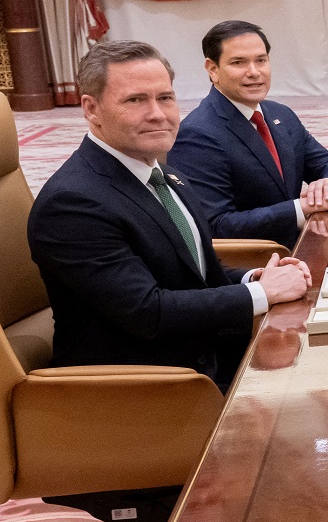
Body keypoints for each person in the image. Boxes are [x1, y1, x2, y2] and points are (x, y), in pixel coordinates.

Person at [29, 41, 313, 393]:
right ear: (91, 109)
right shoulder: (73, 204)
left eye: (165, 98)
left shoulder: (164, 175)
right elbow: (149, 312)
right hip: (149, 388)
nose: (157, 114)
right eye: (135, 100)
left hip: (207, 355)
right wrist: (261, 293)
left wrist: (251, 277)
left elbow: (189, 274)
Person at [167, 21, 328, 248]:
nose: (254, 72)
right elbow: (216, 225)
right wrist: (301, 208)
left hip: (305, 244)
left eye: (261, 60)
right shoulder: (196, 135)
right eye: (238, 62)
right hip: (258, 261)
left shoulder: (280, 114)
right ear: (212, 69)